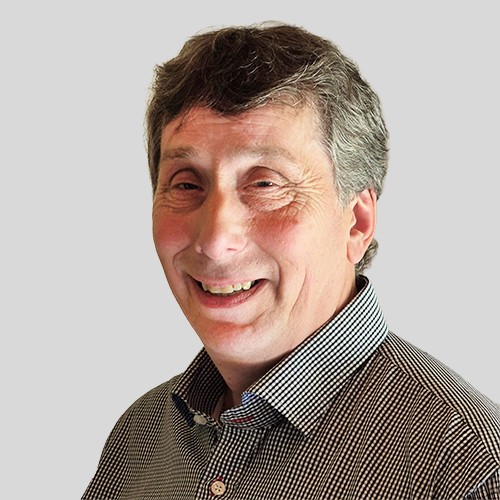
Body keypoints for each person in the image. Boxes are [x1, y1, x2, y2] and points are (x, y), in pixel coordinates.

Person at [82, 21, 500, 499]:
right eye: (187, 184)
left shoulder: (470, 469)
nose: (216, 240)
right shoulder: (138, 438)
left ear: (357, 223)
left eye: (265, 184)